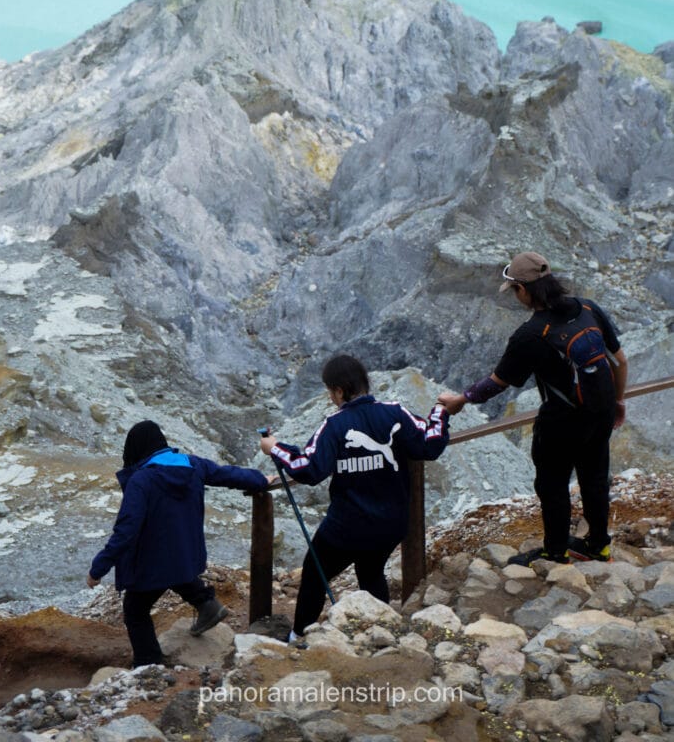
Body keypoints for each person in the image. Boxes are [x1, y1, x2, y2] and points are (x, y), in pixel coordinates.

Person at [438, 251, 628, 566]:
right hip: (601, 412)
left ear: (524, 290)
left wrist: (460, 400)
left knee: (552, 485)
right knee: (595, 478)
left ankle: (555, 552)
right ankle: (598, 546)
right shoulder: (588, 309)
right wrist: (618, 402)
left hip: (561, 423)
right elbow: (620, 360)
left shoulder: (530, 335)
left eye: (514, 290)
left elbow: (497, 383)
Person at [260, 354, 462, 643]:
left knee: (315, 573)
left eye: (330, 391)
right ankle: (384, 632)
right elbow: (429, 444)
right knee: (371, 570)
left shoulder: (334, 425)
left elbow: (309, 468)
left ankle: (298, 635)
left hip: (346, 527)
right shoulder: (394, 412)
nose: (330, 398)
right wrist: (441, 410)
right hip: (391, 523)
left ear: (340, 390)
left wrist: (275, 448)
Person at [87, 419, 270, 666]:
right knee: (177, 570)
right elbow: (227, 474)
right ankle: (207, 605)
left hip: (152, 561)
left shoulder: (142, 480)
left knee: (135, 610)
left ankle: (148, 664)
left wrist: (99, 568)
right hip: (186, 554)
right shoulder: (193, 465)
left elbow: (126, 530)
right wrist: (259, 479)